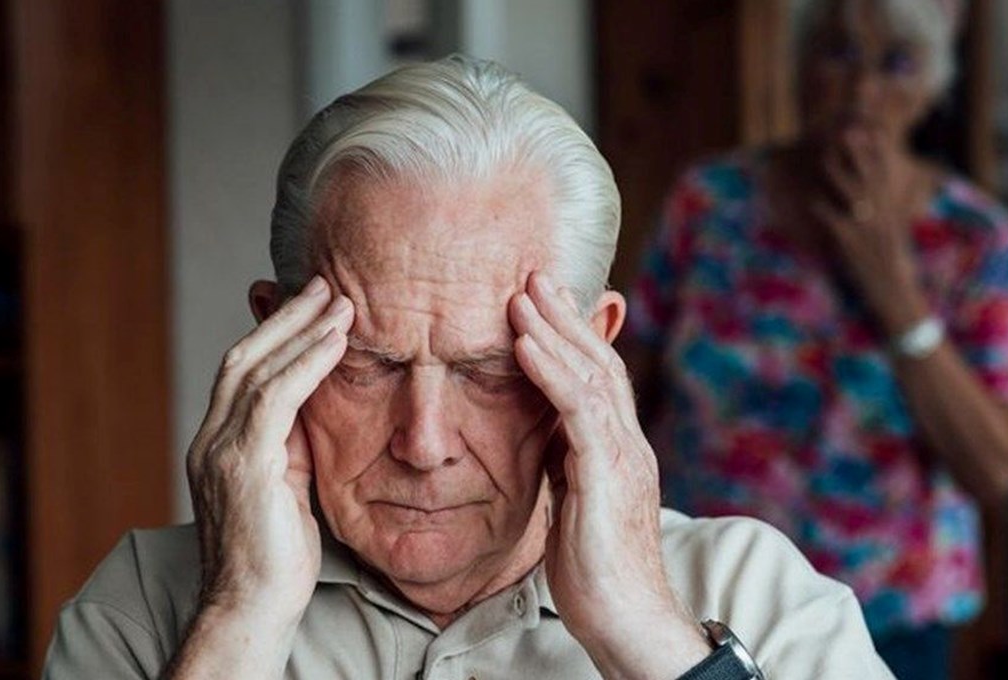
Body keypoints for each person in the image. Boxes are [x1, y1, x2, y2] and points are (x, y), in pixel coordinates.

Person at [43, 56, 891, 679]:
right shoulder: (148, 605)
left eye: (489, 371)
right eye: (368, 365)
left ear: (591, 353)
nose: (424, 443)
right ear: (273, 341)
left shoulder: (760, 596)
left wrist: (644, 634)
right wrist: (237, 622)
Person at [625, 1, 1008, 678]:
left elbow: (994, 467)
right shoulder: (710, 202)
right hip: (703, 590)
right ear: (799, 67)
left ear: (932, 87)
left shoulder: (973, 238)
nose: (862, 90)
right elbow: (629, 376)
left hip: (890, 616)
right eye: (838, 54)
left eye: (897, 63)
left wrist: (892, 285)